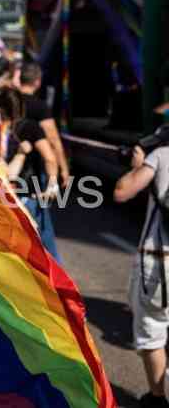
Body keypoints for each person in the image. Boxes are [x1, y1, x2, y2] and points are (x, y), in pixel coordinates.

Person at [114, 144, 169, 408]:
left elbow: (122, 192)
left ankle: (157, 398)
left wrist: (137, 167)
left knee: (153, 332)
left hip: (160, 261)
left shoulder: (162, 155)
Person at [0, 88, 61, 261]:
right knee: (47, 252)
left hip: (2, 198)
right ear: (22, 106)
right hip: (28, 195)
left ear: (0, 108)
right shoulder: (31, 127)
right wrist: (52, 185)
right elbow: (49, 158)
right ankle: (58, 288)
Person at [18, 62, 71, 188]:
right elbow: (53, 140)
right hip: (32, 167)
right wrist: (64, 168)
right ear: (37, 82)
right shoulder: (40, 107)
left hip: (6, 164)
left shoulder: (7, 101)